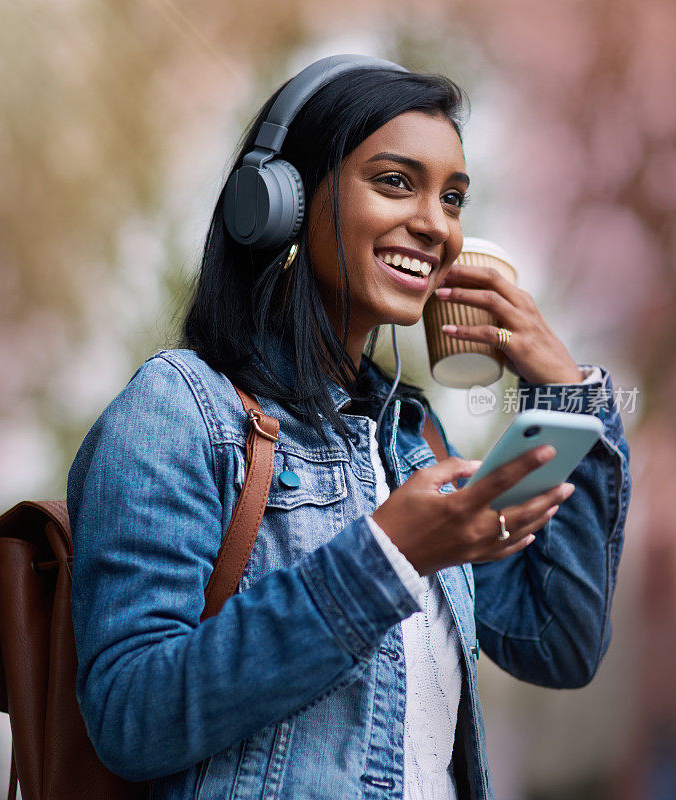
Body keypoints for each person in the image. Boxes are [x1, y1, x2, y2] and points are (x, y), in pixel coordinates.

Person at [67, 55, 631, 800]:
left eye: (453, 197)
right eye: (396, 182)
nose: (435, 225)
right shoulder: (180, 411)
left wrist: (566, 395)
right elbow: (130, 715)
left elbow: (555, 644)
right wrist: (384, 558)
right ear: (281, 201)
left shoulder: (410, 440)